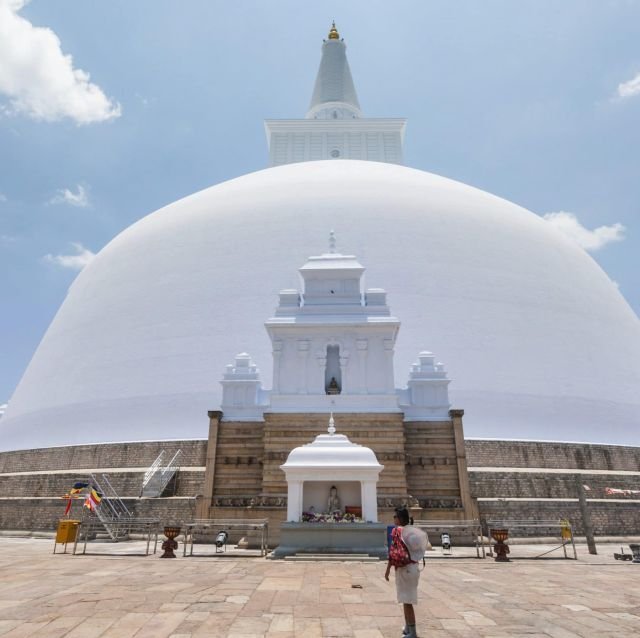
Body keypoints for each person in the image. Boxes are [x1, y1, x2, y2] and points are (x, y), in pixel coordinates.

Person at [385, 508, 420, 638]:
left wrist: (388, 569)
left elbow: (393, 551)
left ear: (399, 519)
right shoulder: (411, 533)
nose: (393, 519)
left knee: (407, 601)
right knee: (406, 599)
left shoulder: (397, 531)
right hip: (413, 568)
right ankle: (407, 627)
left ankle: (413, 632)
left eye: (395, 516)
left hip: (405, 569)